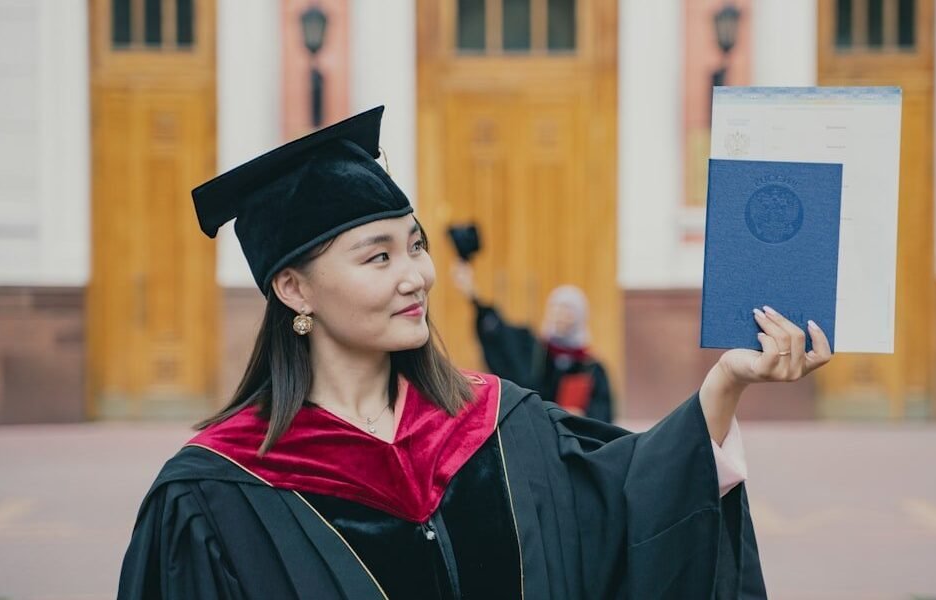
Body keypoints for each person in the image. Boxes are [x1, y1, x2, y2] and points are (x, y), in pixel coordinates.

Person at [117, 106, 833, 599]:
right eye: (377, 257)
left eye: (416, 245)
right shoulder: (214, 494)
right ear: (295, 288)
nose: (416, 275)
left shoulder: (499, 426)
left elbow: (628, 504)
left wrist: (724, 386)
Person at [452, 261, 615, 422]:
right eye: (556, 308)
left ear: (580, 318)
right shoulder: (534, 351)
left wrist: (583, 417)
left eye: (568, 311)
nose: (560, 316)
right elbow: (499, 333)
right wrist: (473, 294)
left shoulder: (591, 368)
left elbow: (603, 415)